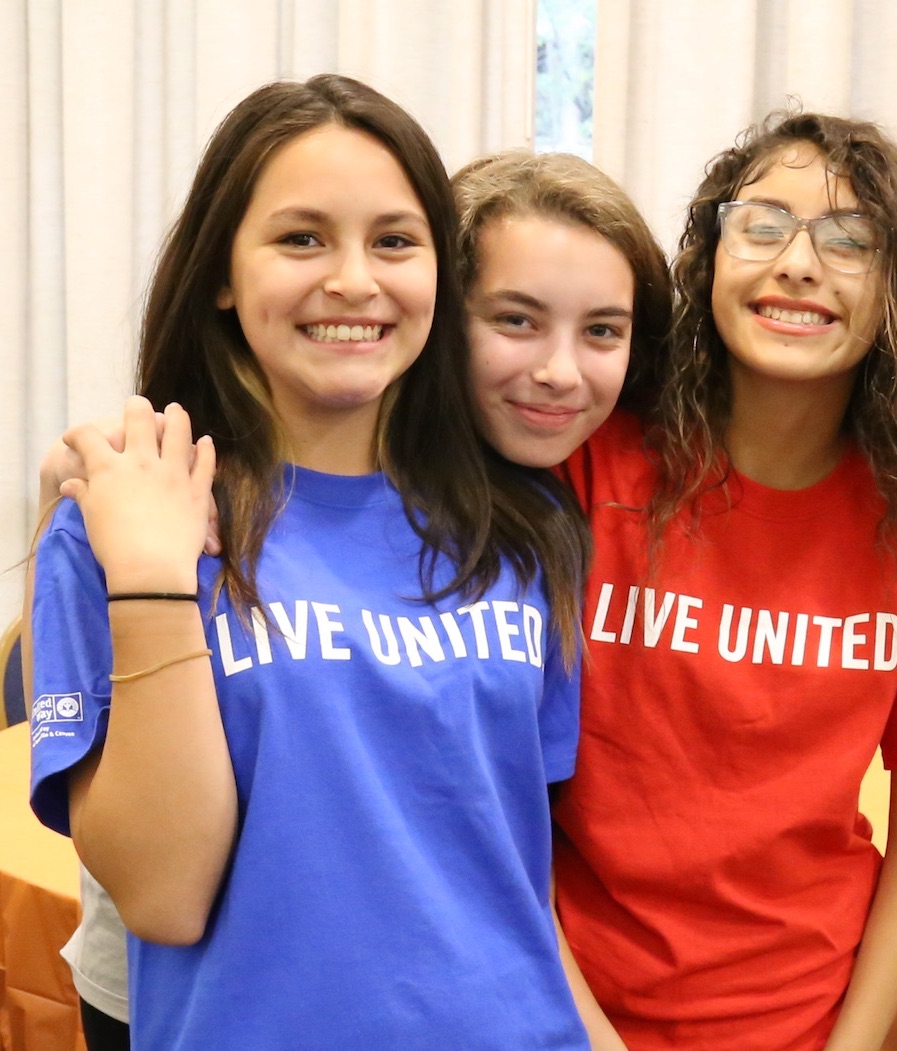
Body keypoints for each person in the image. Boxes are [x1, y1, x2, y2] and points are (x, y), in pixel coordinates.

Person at [32, 145, 673, 1050]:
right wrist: (149, 575)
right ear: (221, 271)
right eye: (302, 237)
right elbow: (164, 898)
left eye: (393, 241)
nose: (353, 280)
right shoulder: (128, 516)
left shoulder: (531, 526)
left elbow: (503, 869)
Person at [551, 110, 897, 1050]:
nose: (799, 264)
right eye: (762, 225)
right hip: (559, 1007)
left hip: (797, 1022)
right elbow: (493, 789)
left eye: (850, 242)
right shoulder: (589, 467)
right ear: (708, 260)